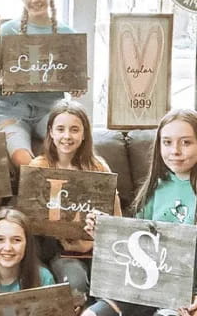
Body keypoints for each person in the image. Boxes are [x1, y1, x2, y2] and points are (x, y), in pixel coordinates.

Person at [83, 109, 197, 316]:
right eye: (167, 142)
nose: (175, 151)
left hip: (185, 295)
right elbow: (136, 240)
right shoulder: (157, 186)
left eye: (186, 142)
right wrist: (106, 232)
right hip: (143, 287)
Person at [29, 99, 122, 311]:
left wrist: (90, 244)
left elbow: (116, 218)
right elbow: (28, 218)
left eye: (74, 130)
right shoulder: (38, 166)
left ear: (84, 134)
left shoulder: (98, 167)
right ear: (51, 132)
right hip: (54, 248)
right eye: (60, 129)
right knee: (75, 284)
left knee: (115, 286)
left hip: (94, 247)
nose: (67, 136)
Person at [0, 0, 83, 168]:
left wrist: (77, 85)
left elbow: (73, 77)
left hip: (51, 110)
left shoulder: (67, 34)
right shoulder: (6, 31)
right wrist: (1, 80)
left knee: (72, 153)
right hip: (12, 111)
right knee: (22, 160)